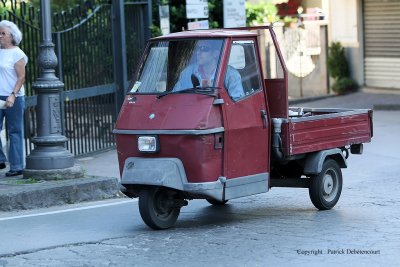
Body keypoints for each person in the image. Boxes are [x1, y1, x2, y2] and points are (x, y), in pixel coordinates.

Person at [0, 20, 27, 177]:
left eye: (3, 33)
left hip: (13, 97)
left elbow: (21, 77)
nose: (0, 36)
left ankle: (17, 166)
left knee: (15, 131)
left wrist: (13, 95)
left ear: (12, 36)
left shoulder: (18, 53)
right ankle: (1, 159)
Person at [174, 40, 244, 100]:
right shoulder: (187, 72)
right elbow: (174, 97)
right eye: (197, 48)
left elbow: (237, 102)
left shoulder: (231, 75)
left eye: (204, 48)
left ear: (215, 53)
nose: (198, 52)